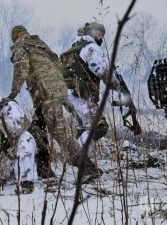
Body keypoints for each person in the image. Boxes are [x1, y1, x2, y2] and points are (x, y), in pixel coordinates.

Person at [6, 25, 86, 179]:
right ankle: (44, 168)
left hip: (47, 93)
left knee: (59, 130)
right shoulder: (40, 45)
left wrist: (13, 93)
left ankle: (86, 166)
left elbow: (21, 68)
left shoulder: (20, 46)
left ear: (15, 37)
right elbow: (58, 64)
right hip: (58, 89)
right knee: (37, 127)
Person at [60, 22, 129, 180]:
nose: (101, 37)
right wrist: (120, 88)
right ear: (91, 32)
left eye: (103, 34)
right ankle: (76, 155)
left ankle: (87, 168)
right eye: (99, 33)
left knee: (83, 129)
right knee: (99, 127)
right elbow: (103, 71)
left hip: (68, 95)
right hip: (80, 95)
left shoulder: (73, 49)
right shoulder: (91, 48)